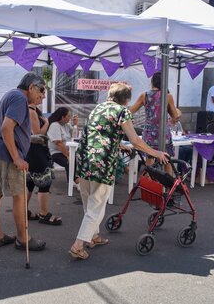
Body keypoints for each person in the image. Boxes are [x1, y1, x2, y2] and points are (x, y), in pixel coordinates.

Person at [68, 83, 169, 260]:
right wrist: (156, 153)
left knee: (89, 203)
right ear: (127, 100)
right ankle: (77, 246)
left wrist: (119, 144)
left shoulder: (98, 108)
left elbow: (99, 133)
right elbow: (136, 141)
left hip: (84, 159)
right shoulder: (122, 111)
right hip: (102, 163)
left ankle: (93, 236)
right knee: (96, 206)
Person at [0, 72, 46, 251]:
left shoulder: (11, 94)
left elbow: (10, 129)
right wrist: (17, 157)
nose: (41, 98)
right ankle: (23, 239)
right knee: (20, 195)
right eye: (40, 93)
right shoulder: (20, 99)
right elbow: (6, 128)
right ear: (31, 87)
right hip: (6, 153)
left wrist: (29, 140)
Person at [25, 88, 62, 225]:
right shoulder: (31, 111)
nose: (43, 96)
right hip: (36, 151)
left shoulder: (31, 110)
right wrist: (46, 123)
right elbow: (37, 134)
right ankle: (44, 214)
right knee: (44, 183)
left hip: (31, 151)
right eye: (41, 93)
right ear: (33, 94)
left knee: (30, 182)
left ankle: (23, 211)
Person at [130, 72, 179, 174]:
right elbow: (175, 115)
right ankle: (167, 187)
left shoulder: (145, 95)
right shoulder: (168, 96)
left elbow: (130, 111)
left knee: (149, 161)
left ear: (153, 82)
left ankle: (149, 188)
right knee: (166, 160)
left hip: (149, 132)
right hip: (163, 132)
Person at [47, 107, 79, 187]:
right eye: (68, 116)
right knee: (71, 159)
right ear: (62, 117)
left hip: (65, 151)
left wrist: (75, 125)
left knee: (78, 157)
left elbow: (74, 135)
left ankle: (76, 179)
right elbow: (58, 143)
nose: (70, 118)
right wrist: (68, 155)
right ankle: (73, 180)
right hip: (56, 152)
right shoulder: (55, 125)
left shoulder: (66, 125)